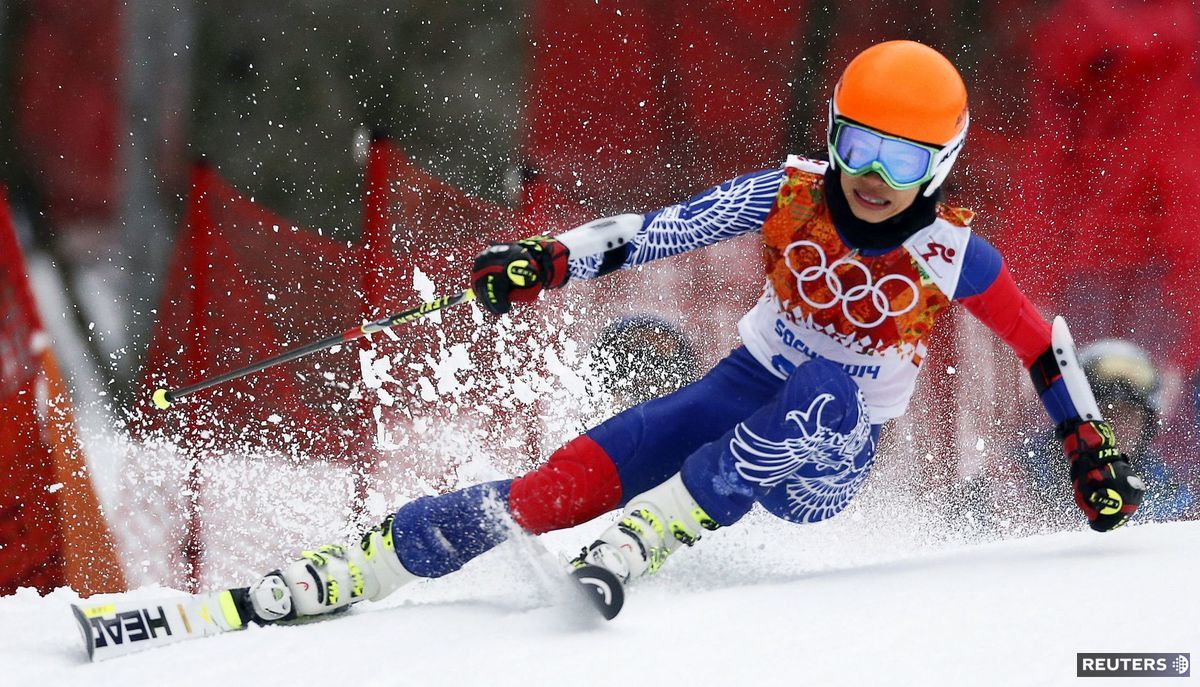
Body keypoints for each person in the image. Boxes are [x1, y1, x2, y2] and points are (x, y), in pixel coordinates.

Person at [215, 40, 1147, 626]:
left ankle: (649, 535)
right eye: (858, 145)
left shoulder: (952, 254)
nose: (871, 175)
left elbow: (1041, 343)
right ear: (833, 132)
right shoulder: (788, 193)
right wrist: (547, 259)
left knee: (826, 389)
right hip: (739, 389)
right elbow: (657, 231)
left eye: (900, 160)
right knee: (555, 487)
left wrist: (1088, 447)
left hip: (830, 454)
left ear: (940, 163)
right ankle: (359, 565)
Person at [1009, 340, 1194, 528]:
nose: (1118, 427)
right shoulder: (1020, 472)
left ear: (1147, 426)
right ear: (1078, 420)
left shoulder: (1167, 492)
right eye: (1107, 414)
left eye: (1129, 415)